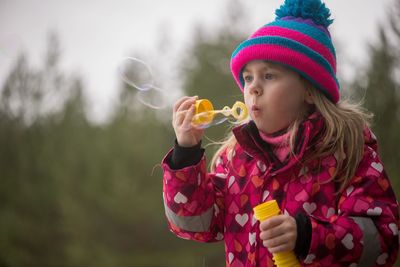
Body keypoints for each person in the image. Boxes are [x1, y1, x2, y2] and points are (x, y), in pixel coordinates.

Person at [160, 0, 399, 266]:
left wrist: (308, 236)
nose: (253, 88)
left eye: (269, 76)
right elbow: (195, 223)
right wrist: (185, 153)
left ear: (310, 89)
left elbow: (384, 240)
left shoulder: (347, 152)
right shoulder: (237, 159)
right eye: (248, 78)